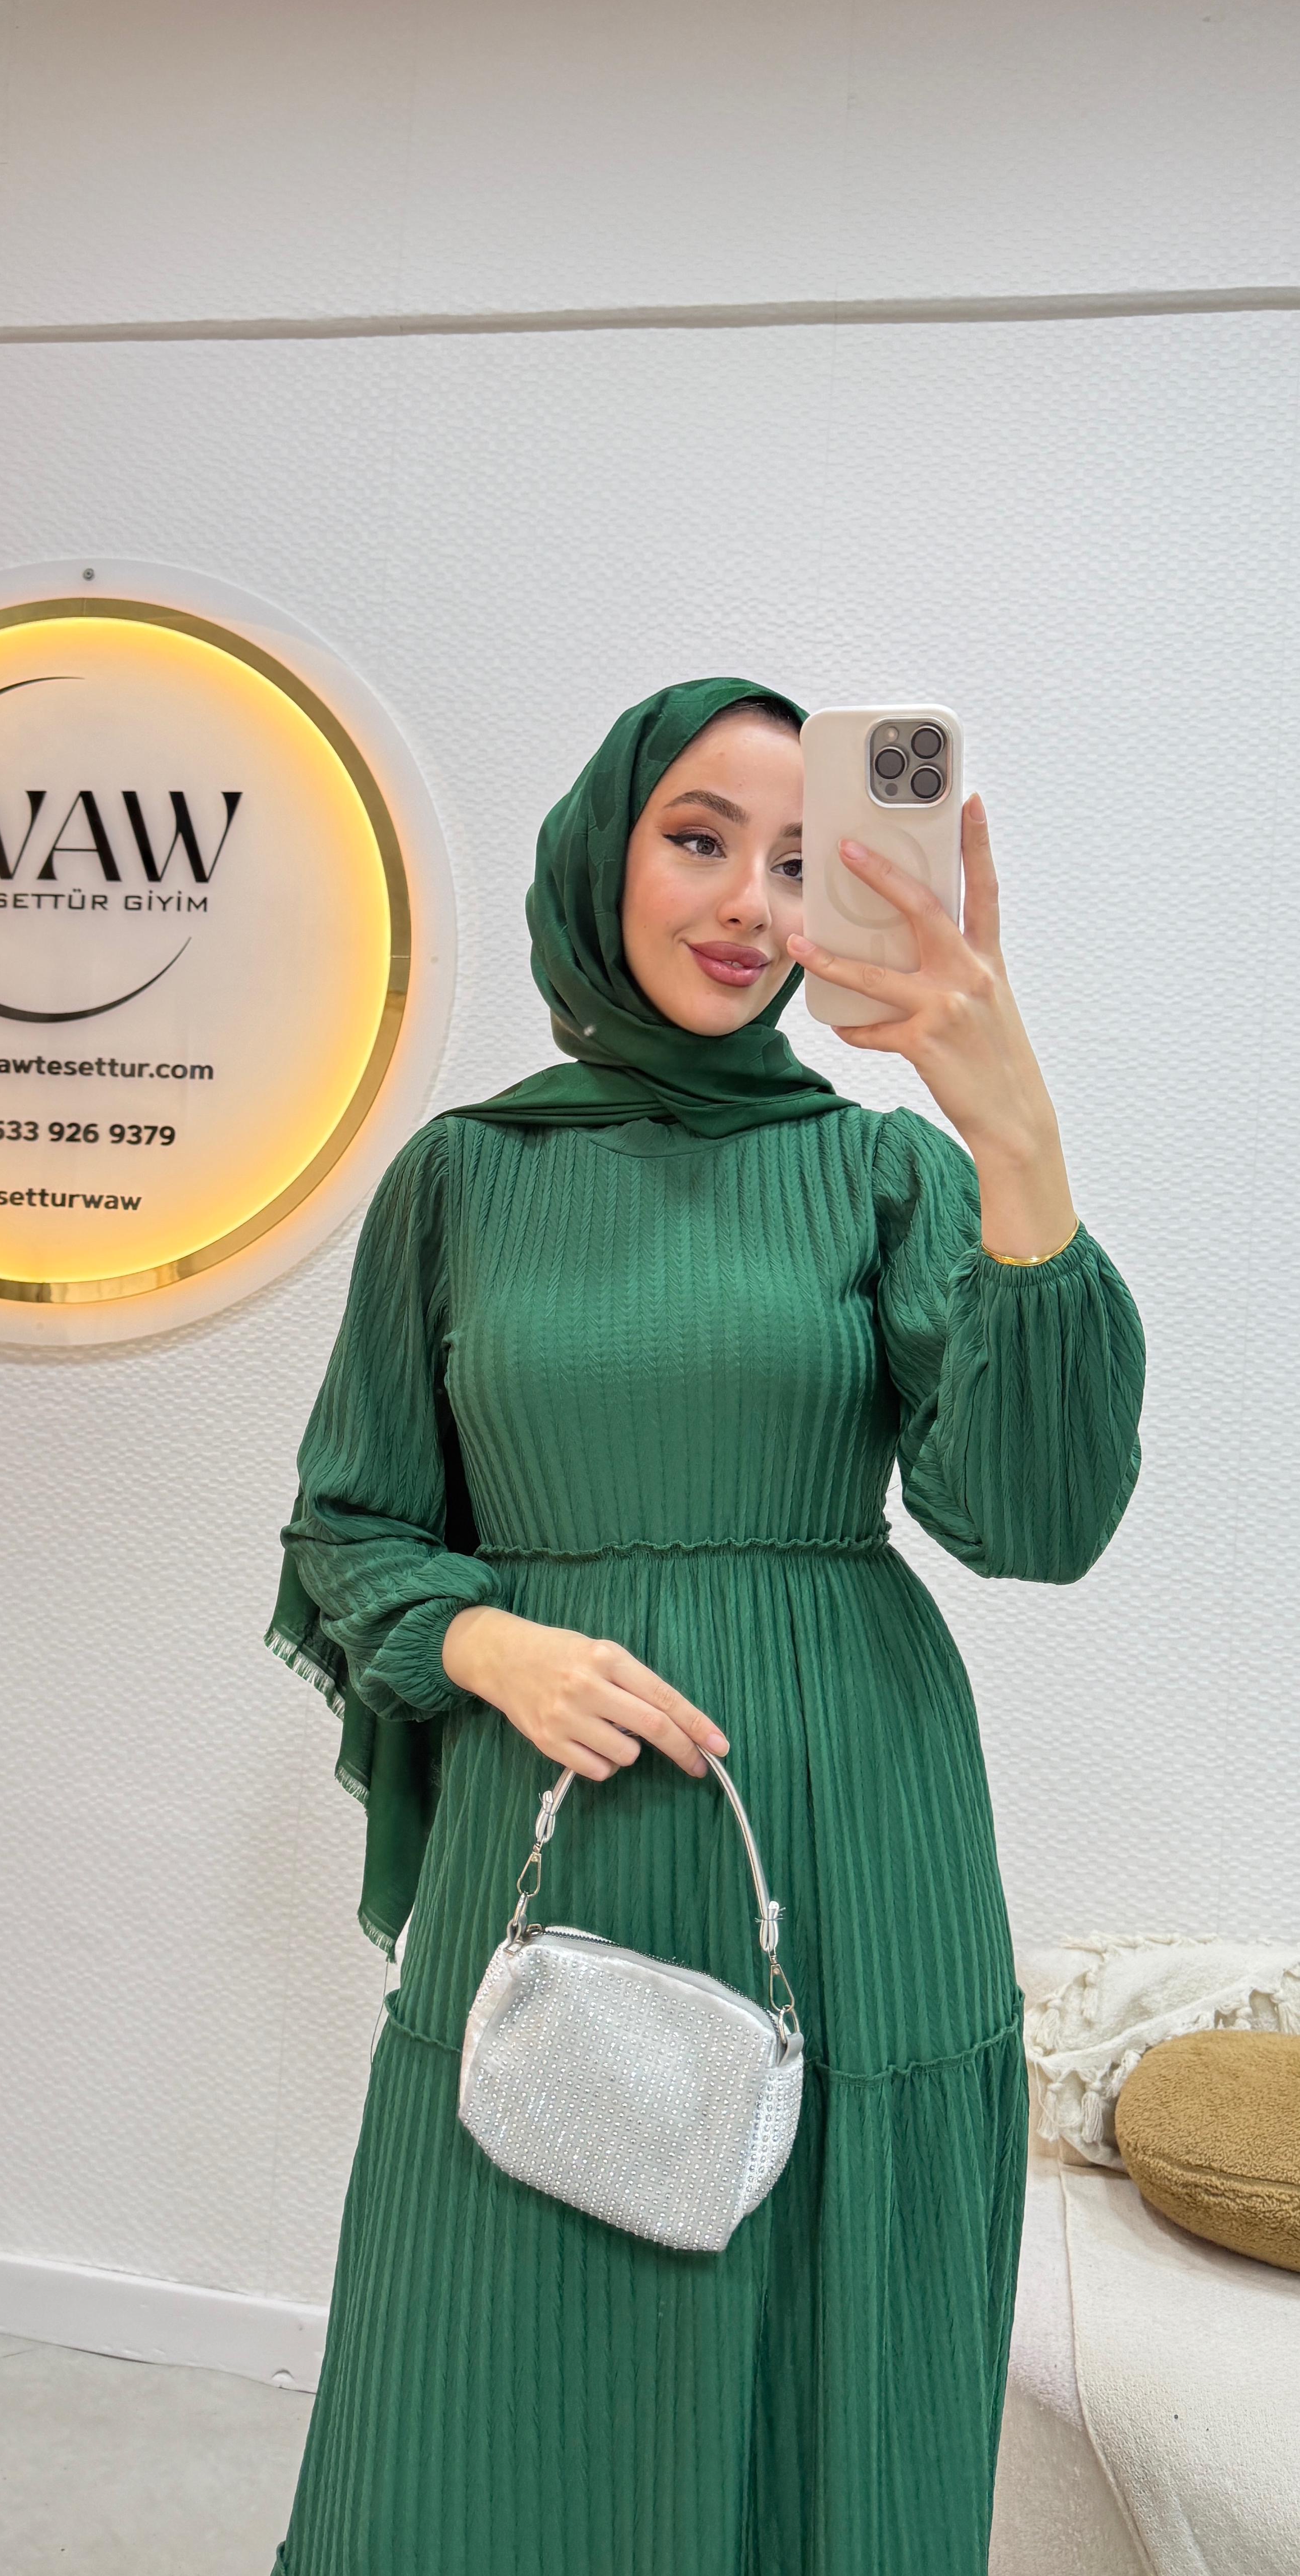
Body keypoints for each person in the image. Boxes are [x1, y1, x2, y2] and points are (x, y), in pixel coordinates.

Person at [265, 678, 1144, 2576]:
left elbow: (1039, 1519)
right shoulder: (466, 1179)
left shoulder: (889, 1171)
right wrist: (485, 1643)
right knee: (499, 2322)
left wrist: (1011, 1129)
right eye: (700, 839)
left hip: (850, 1835)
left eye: (808, 861)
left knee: (829, 2314)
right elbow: (350, 1520)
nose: (753, 900)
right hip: (554, 1822)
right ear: (607, 853)